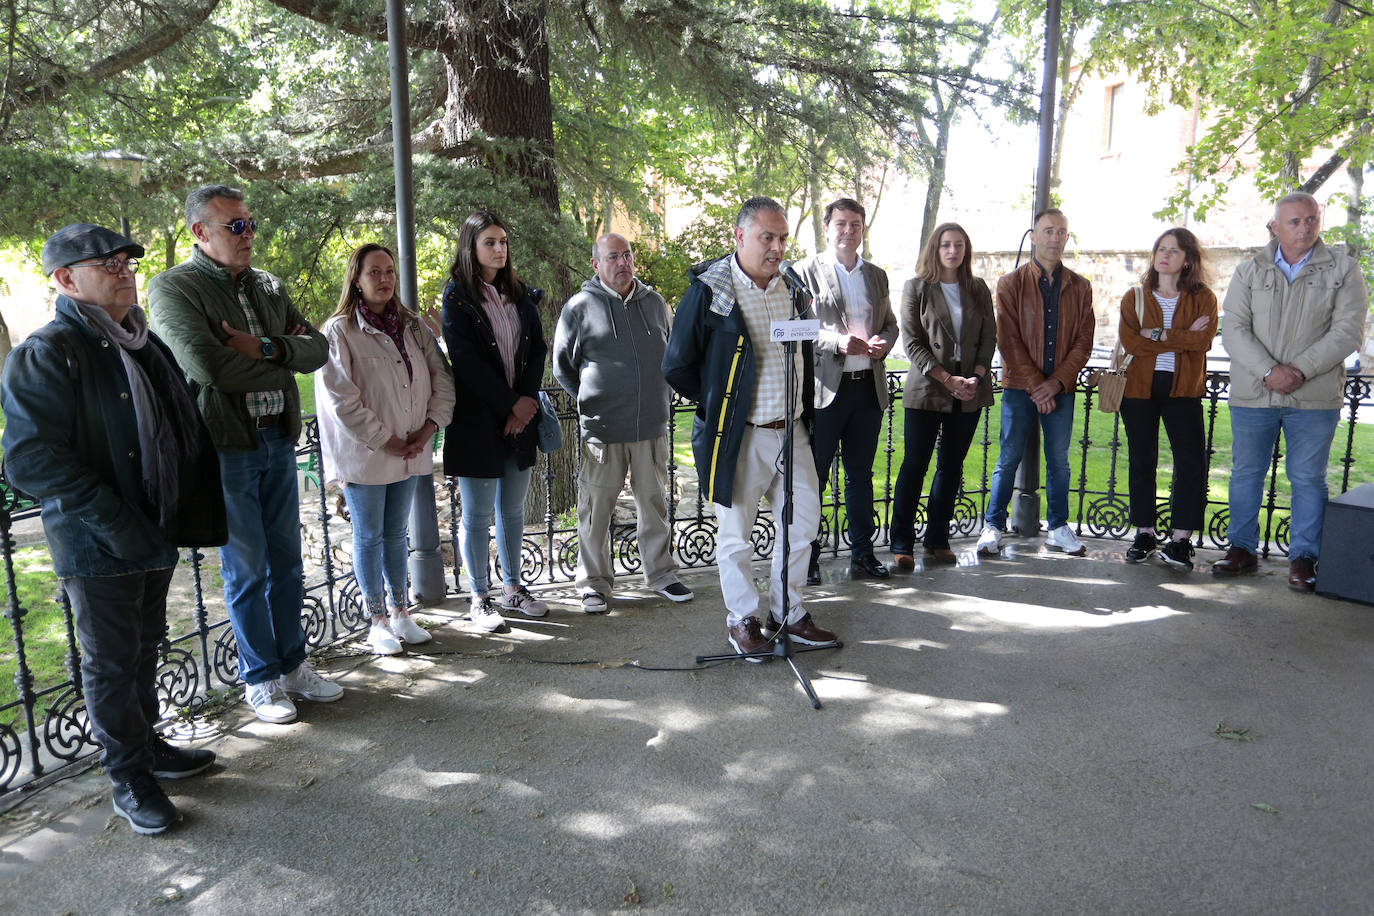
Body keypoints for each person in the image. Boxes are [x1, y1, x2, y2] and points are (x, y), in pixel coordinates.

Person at [2, 224, 226, 835]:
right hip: (100, 541)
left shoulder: (140, 342)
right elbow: (28, 458)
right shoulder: (49, 352)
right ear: (66, 279)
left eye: (127, 261)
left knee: (145, 648)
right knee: (111, 664)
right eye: (108, 263)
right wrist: (115, 520)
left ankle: (148, 748)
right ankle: (128, 776)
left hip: (155, 528)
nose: (125, 270)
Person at [149, 184, 343, 725]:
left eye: (250, 224)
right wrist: (286, 359)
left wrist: (264, 347)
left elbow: (319, 349)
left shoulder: (267, 285)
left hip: (278, 438)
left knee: (288, 562)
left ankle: (293, 666)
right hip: (227, 447)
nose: (248, 234)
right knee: (247, 570)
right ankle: (260, 679)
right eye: (235, 226)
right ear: (200, 232)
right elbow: (210, 368)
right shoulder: (173, 289)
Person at [662, 196, 837, 660]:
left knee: (802, 526)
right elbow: (677, 365)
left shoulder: (793, 287)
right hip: (741, 436)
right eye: (767, 238)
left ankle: (788, 612)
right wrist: (723, 405)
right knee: (736, 535)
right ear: (739, 237)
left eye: (782, 238)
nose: (778, 247)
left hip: (794, 432)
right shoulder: (710, 291)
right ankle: (742, 620)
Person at [1212, 192, 1368, 591]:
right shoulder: (1249, 271)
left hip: (1313, 396)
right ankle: (1241, 551)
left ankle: (1303, 558)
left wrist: (1297, 370)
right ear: (1275, 227)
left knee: (1308, 478)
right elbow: (1233, 329)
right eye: (1295, 221)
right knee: (1247, 473)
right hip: (1254, 392)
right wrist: (1269, 370)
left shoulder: (1343, 269)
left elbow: (1347, 331)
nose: (1305, 228)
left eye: (1311, 220)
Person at [316, 243, 456, 653]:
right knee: (369, 536)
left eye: (389, 271)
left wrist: (430, 426)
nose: (384, 279)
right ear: (356, 280)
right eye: (374, 272)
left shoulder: (412, 326)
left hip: (411, 448)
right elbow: (340, 396)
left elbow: (441, 379)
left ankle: (400, 612)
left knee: (397, 533)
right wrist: (385, 439)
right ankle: (376, 620)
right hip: (367, 455)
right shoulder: (340, 330)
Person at [553, 234, 692, 612]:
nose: (622, 262)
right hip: (603, 429)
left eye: (627, 255)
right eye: (612, 257)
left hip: (651, 425)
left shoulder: (655, 303)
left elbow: (673, 353)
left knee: (654, 504)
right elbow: (563, 367)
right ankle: (594, 585)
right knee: (596, 509)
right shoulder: (579, 307)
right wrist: (592, 401)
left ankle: (662, 575)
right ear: (596, 265)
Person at [441, 211, 550, 629]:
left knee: (513, 511)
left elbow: (536, 350)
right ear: (471, 247)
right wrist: (510, 405)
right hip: (477, 422)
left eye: (503, 241)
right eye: (490, 242)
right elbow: (465, 362)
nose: (500, 248)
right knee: (477, 515)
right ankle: (479, 596)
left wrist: (523, 403)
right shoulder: (457, 297)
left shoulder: (519, 294)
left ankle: (513, 588)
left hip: (518, 420)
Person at [977, 208, 1095, 557]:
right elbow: (1008, 339)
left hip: (1060, 390)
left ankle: (1058, 528)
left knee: (1059, 460)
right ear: (1033, 236)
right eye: (1048, 231)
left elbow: (1084, 342)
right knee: (1008, 458)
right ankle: (993, 526)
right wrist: (1035, 385)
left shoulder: (1080, 286)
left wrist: (1055, 383)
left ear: (1067, 238)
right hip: (1019, 388)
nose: (1054, 238)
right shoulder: (1010, 283)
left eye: (1061, 232)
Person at [793, 198, 898, 584]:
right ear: (827, 228)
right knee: (814, 479)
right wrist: (836, 342)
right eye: (841, 224)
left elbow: (890, 324)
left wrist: (883, 342)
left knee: (859, 476)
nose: (848, 231)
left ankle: (863, 555)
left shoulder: (876, 275)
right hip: (824, 393)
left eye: (855, 224)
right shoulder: (804, 272)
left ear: (863, 228)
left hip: (867, 390)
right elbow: (792, 328)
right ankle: (810, 558)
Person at [890, 222, 996, 568]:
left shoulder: (978, 288)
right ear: (935, 249)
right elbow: (913, 342)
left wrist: (976, 378)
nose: (953, 251)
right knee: (915, 466)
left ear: (967, 250)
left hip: (969, 391)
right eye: (946, 245)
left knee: (951, 468)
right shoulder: (917, 287)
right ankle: (901, 542)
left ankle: (938, 539)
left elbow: (988, 339)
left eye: (959, 245)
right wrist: (947, 378)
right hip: (927, 389)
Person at [1117, 228, 1218, 571]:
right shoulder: (1136, 296)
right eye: (1161, 249)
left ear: (1188, 259)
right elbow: (1133, 344)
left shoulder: (1203, 298)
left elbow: (1203, 342)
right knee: (1142, 459)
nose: (1165, 255)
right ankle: (1144, 533)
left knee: (1190, 463)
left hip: (1183, 388)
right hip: (1139, 388)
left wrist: (1158, 334)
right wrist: (1183, 336)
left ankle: (1179, 541)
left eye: (1174, 251)